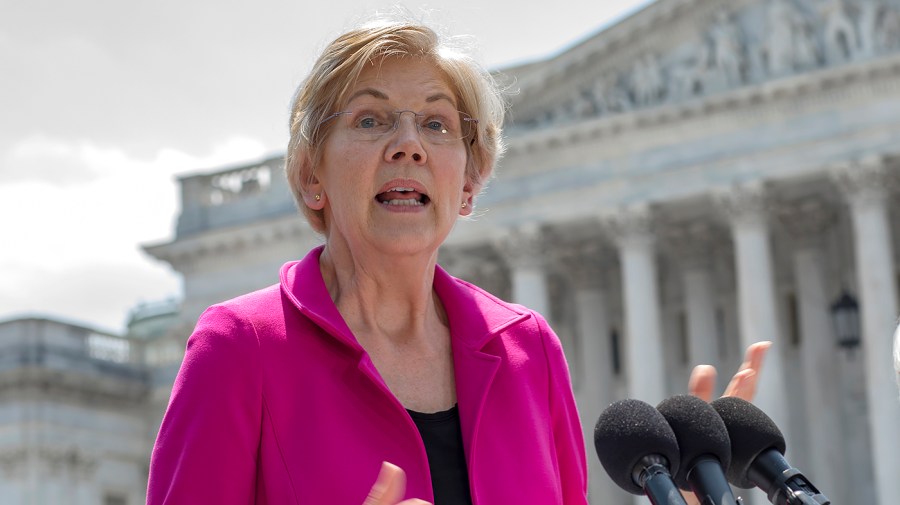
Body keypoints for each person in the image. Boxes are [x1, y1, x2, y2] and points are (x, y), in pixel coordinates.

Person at [146, 15, 769, 505]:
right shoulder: (240, 348)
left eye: (439, 126)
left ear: (468, 185)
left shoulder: (529, 353)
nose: (409, 145)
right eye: (370, 119)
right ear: (312, 176)